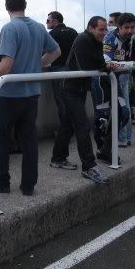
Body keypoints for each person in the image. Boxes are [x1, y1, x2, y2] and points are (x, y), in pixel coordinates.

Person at [0, 0, 60, 196]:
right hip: (32, 92)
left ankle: (1, 183)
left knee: (0, 138)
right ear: (25, 4)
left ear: (6, 6)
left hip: (9, 94)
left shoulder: (10, 28)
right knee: (29, 140)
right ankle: (28, 185)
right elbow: (56, 51)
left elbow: (7, 62)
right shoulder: (39, 27)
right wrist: (37, 65)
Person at [61, 16, 115, 185]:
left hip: (80, 88)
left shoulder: (96, 41)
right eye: (101, 29)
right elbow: (87, 66)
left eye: (105, 29)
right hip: (70, 88)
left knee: (68, 124)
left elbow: (99, 63)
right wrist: (106, 67)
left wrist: (106, 66)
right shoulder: (83, 39)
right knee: (82, 126)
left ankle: (57, 157)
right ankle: (89, 166)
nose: (104, 32)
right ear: (91, 28)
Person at [103, 12, 135, 147]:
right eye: (126, 28)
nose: (129, 31)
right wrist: (133, 65)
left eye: (132, 27)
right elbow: (107, 62)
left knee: (124, 107)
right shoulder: (110, 38)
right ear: (119, 27)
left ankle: (124, 138)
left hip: (125, 76)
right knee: (119, 108)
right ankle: (121, 138)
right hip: (112, 78)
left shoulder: (133, 38)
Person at [46, 11, 78, 169]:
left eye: (49, 20)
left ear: (55, 21)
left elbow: (46, 51)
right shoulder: (73, 32)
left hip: (58, 69)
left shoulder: (53, 34)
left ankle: (64, 133)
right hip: (72, 70)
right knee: (70, 102)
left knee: (61, 102)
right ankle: (69, 131)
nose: (47, 23)